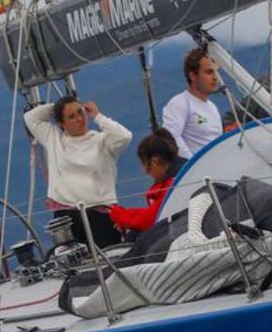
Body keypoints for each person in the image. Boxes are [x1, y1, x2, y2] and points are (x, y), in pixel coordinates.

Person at [25, 95, 132, 247]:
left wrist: (97, 116)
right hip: (66, 217)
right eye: (71, 116)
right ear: (61, 123)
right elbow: (30, 117)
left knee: (110, 259)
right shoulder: (53, 137)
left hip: (101, 216)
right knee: (74, 266)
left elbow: (125, 136)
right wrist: (58, 106)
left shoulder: (102, 141)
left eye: (80, 112)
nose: (79, 119)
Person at [109, 129, 187, 233]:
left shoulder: (173, 184)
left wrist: (117, 214)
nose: (145, 171)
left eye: (145, 165)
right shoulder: (185, 175)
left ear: (154, 161)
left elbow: (150, 219)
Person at [163, 47, 223, 159]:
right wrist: (193, 164)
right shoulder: (180, 103)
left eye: (217, 72)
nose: (215, 77)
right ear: (193, 76)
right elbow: (170, 137)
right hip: (196, 172)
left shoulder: (213, 107)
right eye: (209, 72)